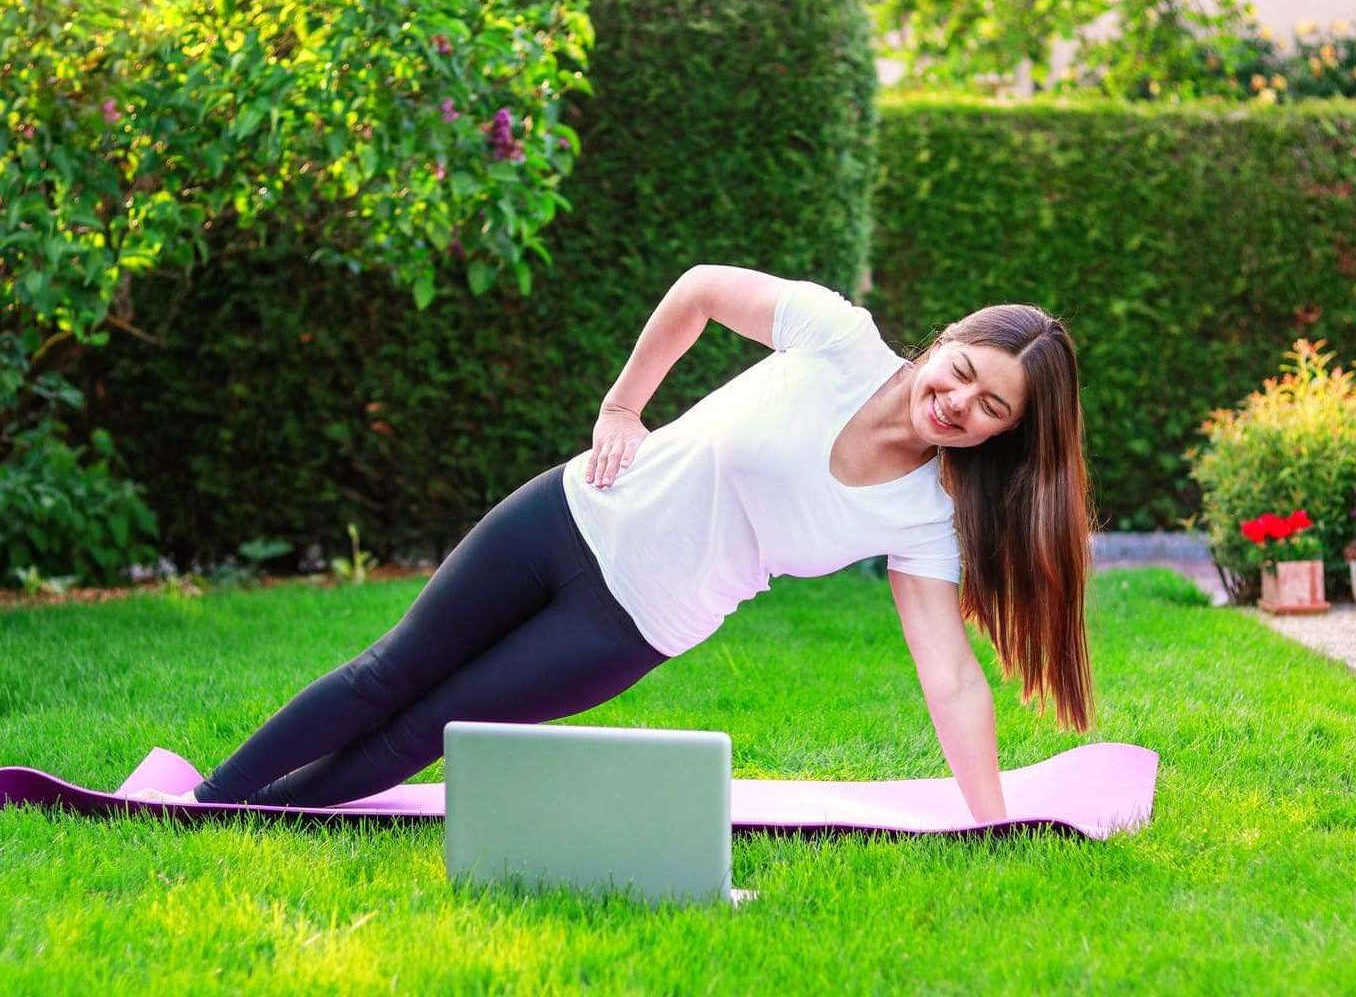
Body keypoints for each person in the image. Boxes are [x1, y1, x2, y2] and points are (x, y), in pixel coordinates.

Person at [128, 265, 1096, 823]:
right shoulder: (839, 338)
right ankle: (211, 799)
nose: (960, 404)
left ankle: (263, 817)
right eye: (965, 373)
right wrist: (622, 403)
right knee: (386, 673)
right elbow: (701, 290)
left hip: (631, 624)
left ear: (1001, 433)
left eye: (990, 409)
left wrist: (989, 823)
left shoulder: (926, 516)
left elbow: (949, 676)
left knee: (429, 728)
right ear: (942, 343)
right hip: (567, 513)